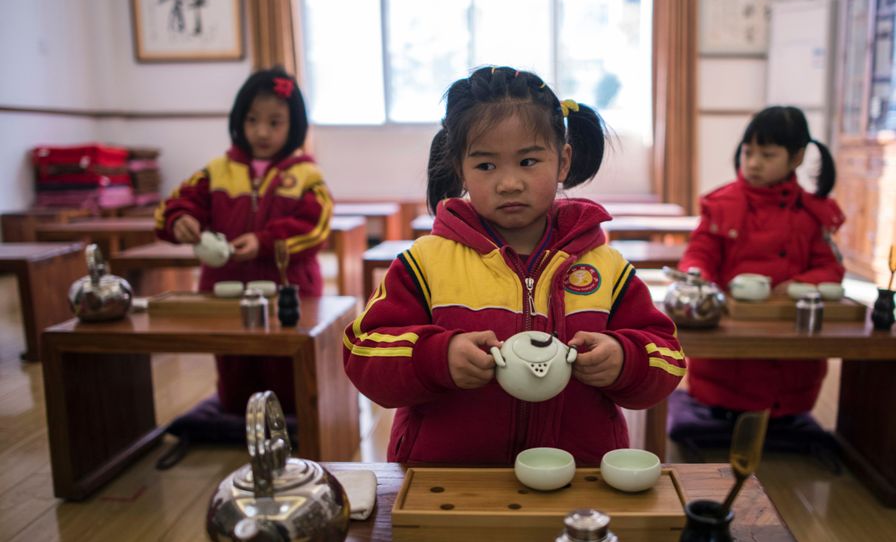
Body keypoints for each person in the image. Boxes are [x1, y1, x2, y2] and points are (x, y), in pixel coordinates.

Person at [343, 66, 685, 465]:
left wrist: (625, 358)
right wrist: (437, 356)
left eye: (528, 161)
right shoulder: (425, 262)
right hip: (446, 482)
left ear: (562, 162)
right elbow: (362, 352)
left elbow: (669, 357)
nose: (509, 183)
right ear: (461, 171)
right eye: (486, 166)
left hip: (578, 478)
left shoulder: (605, 267)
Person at [155, 67, 333, 419]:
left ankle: (289, 424)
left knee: (285, 370)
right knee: (235, 368)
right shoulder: (217, 170)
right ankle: (237, 417)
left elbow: (316, 226)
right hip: (224, 293)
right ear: (239, 121)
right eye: (252, 120)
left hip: (287, 291)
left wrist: (265, 241)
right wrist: (181, 221)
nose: (261, 131)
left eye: (274, 122)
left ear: (293, 124)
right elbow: (173, 206)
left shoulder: (305, 174)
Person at [674, 105, 844, 424]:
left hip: (788, 331)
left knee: (787, 392)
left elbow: (830, 269)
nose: (753, 163)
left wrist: (793, 287)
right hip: (732, 335)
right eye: (748, 152)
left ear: (796, 158)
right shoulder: (723, 205)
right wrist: (698, 275)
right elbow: (701, 251)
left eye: (767, 155)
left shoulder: (812, 213)